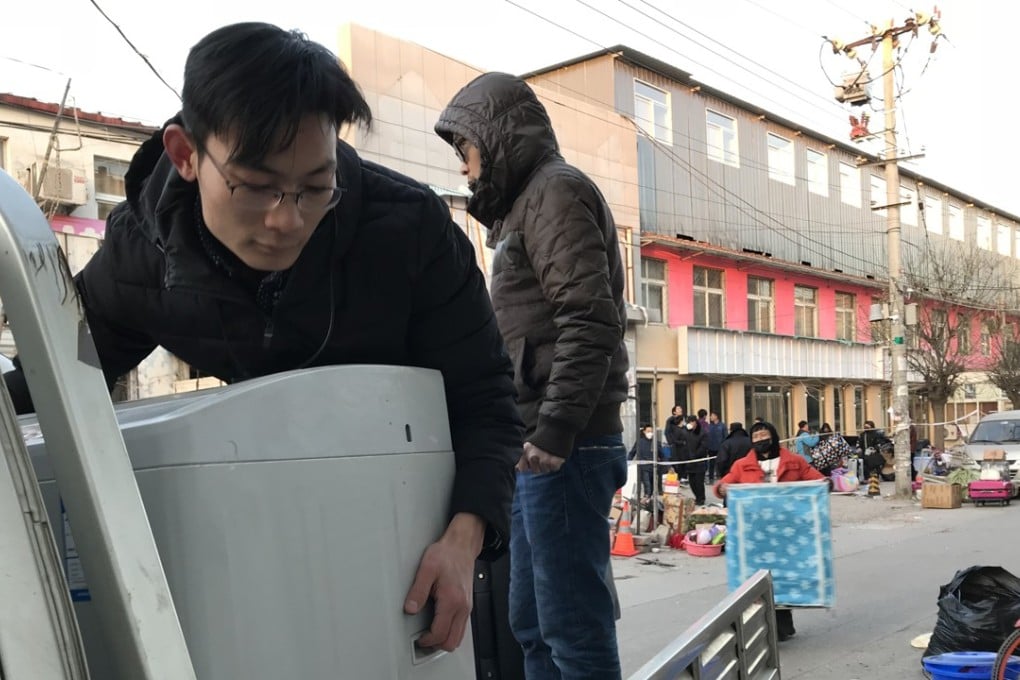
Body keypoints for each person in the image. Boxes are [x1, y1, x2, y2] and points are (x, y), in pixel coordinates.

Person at [2, 23, 523, 654]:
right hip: (271, 544)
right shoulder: (143, 260)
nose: (286, 218)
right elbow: (58, 382)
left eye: (314, 187)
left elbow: (487, 399)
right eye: (256, 186)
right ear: (186, 155)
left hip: (419, 537)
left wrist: (466, 537)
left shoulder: (408, 233)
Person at [436, 72, 629, 679]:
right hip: (537, 447)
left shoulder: (555, 193)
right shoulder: (528, 203)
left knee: (571, 627)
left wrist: (555, 430)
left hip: (564, 448)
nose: (465, 170)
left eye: (467, 151)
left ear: (495, 141)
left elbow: (589, 320)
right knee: (533, 626)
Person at [713, 421, 826, 641]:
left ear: (773, 436)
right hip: (755, 533)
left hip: (787, 531)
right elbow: (722, 485)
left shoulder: (793, 461)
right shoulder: (742, 465)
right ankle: (762, 627)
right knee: (757, 579)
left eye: (764, 435)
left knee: (781, 578)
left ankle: (783, 627)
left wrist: (825, 483)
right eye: (755, 437)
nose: (760, 440)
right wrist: (722, 489)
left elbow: (815, 478)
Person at [681, 415, 708, 506]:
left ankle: (701, 498)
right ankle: (697, 497)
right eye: (688, 422)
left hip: (699, 461)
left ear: (695, 422)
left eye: (691, 422)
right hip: (689, 462)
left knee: (699, 482)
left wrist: (695, 455)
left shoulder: (702, 433)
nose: (689, 424)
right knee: (692, 482)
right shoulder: (687, 432)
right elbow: (685, 445)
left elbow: (703, 447)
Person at [628, 424, 656, 501]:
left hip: (653, 468)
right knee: (647, 485)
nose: (650, 433)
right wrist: (628, 461)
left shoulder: (656, 442)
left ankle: (648, 499)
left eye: (651, 431)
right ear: (644, 432)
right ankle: (646, 497)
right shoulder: (639, 442)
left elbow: (662, 454)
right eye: (648, 431)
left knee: (652, 485)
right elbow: (632, 453)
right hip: (643, 468)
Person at [706, 411, 727, 482]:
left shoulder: (722, 426)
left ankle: (720, 476)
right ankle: (711, 478)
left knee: (720, 463)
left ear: (716, 416)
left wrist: (724, 446)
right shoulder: (710, 426)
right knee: (711, 463)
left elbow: (725, 437)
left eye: (712, 415)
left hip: (720, 447)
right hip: (711, 447)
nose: (710, 417)